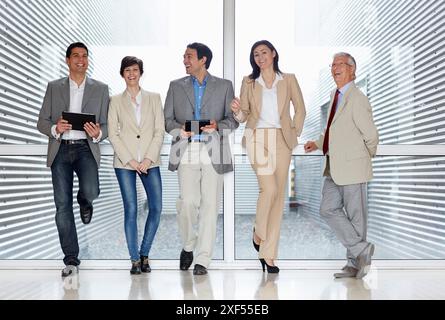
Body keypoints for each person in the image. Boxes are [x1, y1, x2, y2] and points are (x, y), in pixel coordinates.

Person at [231, 40, 306, 273]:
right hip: (256, 138)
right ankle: (258, 232)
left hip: (282, 139)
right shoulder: (249, 82)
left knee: (278, 199)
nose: (260, 57)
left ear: (273, 54)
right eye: (256, 54)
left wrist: (293, 134)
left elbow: (300, 109)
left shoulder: (289, 79)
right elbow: (243, 116)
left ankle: (269, 255)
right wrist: (237, 110)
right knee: (269, 189)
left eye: (264, 52)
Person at [164, 42, 239, 275]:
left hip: (213, 149)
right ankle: (189, 244)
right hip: (186, 149)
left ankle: (202, 259)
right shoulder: (175, 86)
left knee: (210, 206)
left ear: (203, 60)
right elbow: (167, 121)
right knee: (187, 202)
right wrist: (180, 130)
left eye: (189, 56)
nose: (185, 60)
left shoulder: (225, 86)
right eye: (184, 56)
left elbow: (233, 120)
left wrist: (218, 126)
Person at [37, 42, 109, 277]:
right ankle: (71, 259)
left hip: (86, 149)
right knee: (62, 206)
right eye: (76, 56)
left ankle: (85, 200)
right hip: (61, 149)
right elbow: (42, 122)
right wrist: (56, 128)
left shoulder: (100, 89)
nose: (81, 60)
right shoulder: (53, 87)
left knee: (92, 190)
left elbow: (107, 125)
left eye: (85, 56)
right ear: (67, 60)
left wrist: (98, 132)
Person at [304, 52, 379, 279]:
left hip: (353, 167)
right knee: (327, 209)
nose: (334, 67)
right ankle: (361, 251)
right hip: (334, 166)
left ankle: (354, 265)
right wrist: (317, 143)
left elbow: (371, 135)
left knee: (356, 218)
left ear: (352, 70)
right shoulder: (334, 95)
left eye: (340, 64)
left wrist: (365, 157)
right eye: (333, 64)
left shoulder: (357, 97)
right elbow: (334, 131)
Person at [108, 56, 165, 274]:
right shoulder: (115, 101)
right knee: (131, 209)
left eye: (135, 70)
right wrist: (131, 161)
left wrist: (148, 159)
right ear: (122, 74)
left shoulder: (154, 98)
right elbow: (113, 134)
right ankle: (134, 260)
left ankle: (144, 254)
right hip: (125, 163)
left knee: (156, 208)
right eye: (127, 70)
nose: (131, 74)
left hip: (150, 161)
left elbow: (159, 131)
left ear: (141, 72)